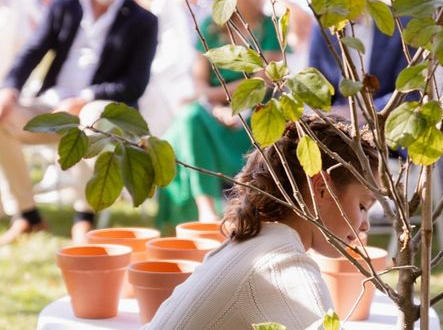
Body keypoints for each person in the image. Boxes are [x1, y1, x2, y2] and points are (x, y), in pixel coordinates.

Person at [146, 114, 378, 329]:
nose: (365, 225)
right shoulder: (283, 265)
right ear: (322, 188)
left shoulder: (256, 242)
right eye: (362, 206)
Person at [0, 0, 158, 245]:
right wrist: (10, 89)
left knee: (93, 115)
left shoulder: (143, 21)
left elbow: (134, 84)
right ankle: (28, 215)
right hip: (53, 109)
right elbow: (31, 52)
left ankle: (84, 217)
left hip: (102, 116)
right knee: (1, 115)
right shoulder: (65, 6)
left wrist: (85, 98)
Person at [156, 0, 281, 230]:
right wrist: (215, 105)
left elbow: (264, 80)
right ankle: (206, 207)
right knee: (189, 119)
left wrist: (231, 103)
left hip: (256, 109)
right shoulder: (210, 28)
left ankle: (250, 204)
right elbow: (199, 82)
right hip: (215, 109)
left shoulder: (270, 26)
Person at [123, 0, 195, 135]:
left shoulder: (165, 3)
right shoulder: (118, 9)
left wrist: (140, 76)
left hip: (163, 86)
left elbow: (178, 54)